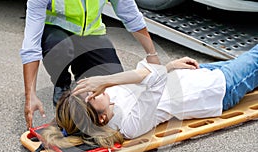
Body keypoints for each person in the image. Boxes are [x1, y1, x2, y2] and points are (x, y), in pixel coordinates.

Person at [41, 44, 258, 148]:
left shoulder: (109, 101)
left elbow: (145, 77)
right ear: (101, 118)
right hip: (218, 88)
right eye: (91, 96)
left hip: (195, 74)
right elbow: (152, 78)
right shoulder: (130, 124)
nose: (95, 90)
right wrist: (108, 80)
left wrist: (171, 66)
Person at [20, 0, 161, 129]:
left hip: (91, 34)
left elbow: (131, 15)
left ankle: (83, 85)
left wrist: (152, 54)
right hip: (56, 35)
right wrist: (30, 94)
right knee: (60, 49)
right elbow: (31, 46)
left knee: (114, 87)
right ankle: (62, 85)